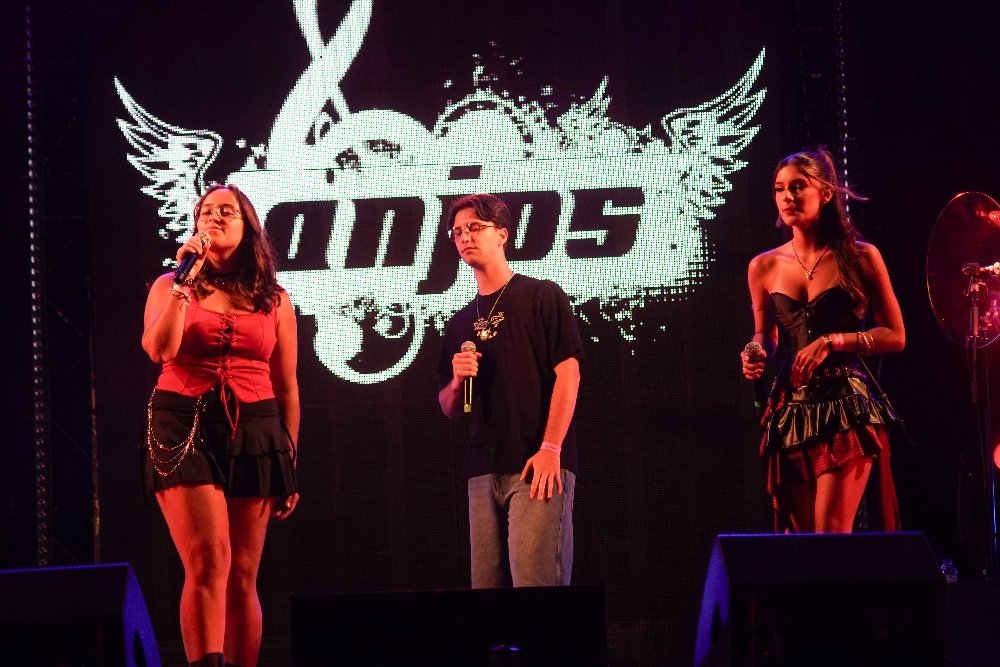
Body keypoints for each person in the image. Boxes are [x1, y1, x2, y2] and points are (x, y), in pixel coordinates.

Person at [141, 184, 300, 667]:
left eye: (226, 210)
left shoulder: (274, 299)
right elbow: (160, 351)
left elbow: (287, 386)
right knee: (210, 560)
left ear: (247, 226)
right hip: (183, 423)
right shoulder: (170, 285)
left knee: (243, 574)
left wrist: (289, 459)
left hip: (256, 429)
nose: (213, 217)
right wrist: (183, 285)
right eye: (205, 211)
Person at [741, 149, 904, 534]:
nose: (787, 196)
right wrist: (754, 351)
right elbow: (766, 335)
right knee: (802, 544)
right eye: (779, 189)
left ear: (826, 193)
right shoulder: (763, 266)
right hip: (791, 410)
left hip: (846, 406)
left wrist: (833, 340)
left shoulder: (861, 257)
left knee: (831, 533)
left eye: (799, 186)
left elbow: (895, 336)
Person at [437, 193, 583, 588]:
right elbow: (449, 406)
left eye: (475, 227)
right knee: (487, 596)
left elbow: (569, 374)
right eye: (457, 232)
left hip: (536, 463)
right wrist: (457, 381)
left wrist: (551, 448)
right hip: (483, 470)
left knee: (535, 586)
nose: (465, 237)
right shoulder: (460, 322)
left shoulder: (541, 296)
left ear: (502, 234)